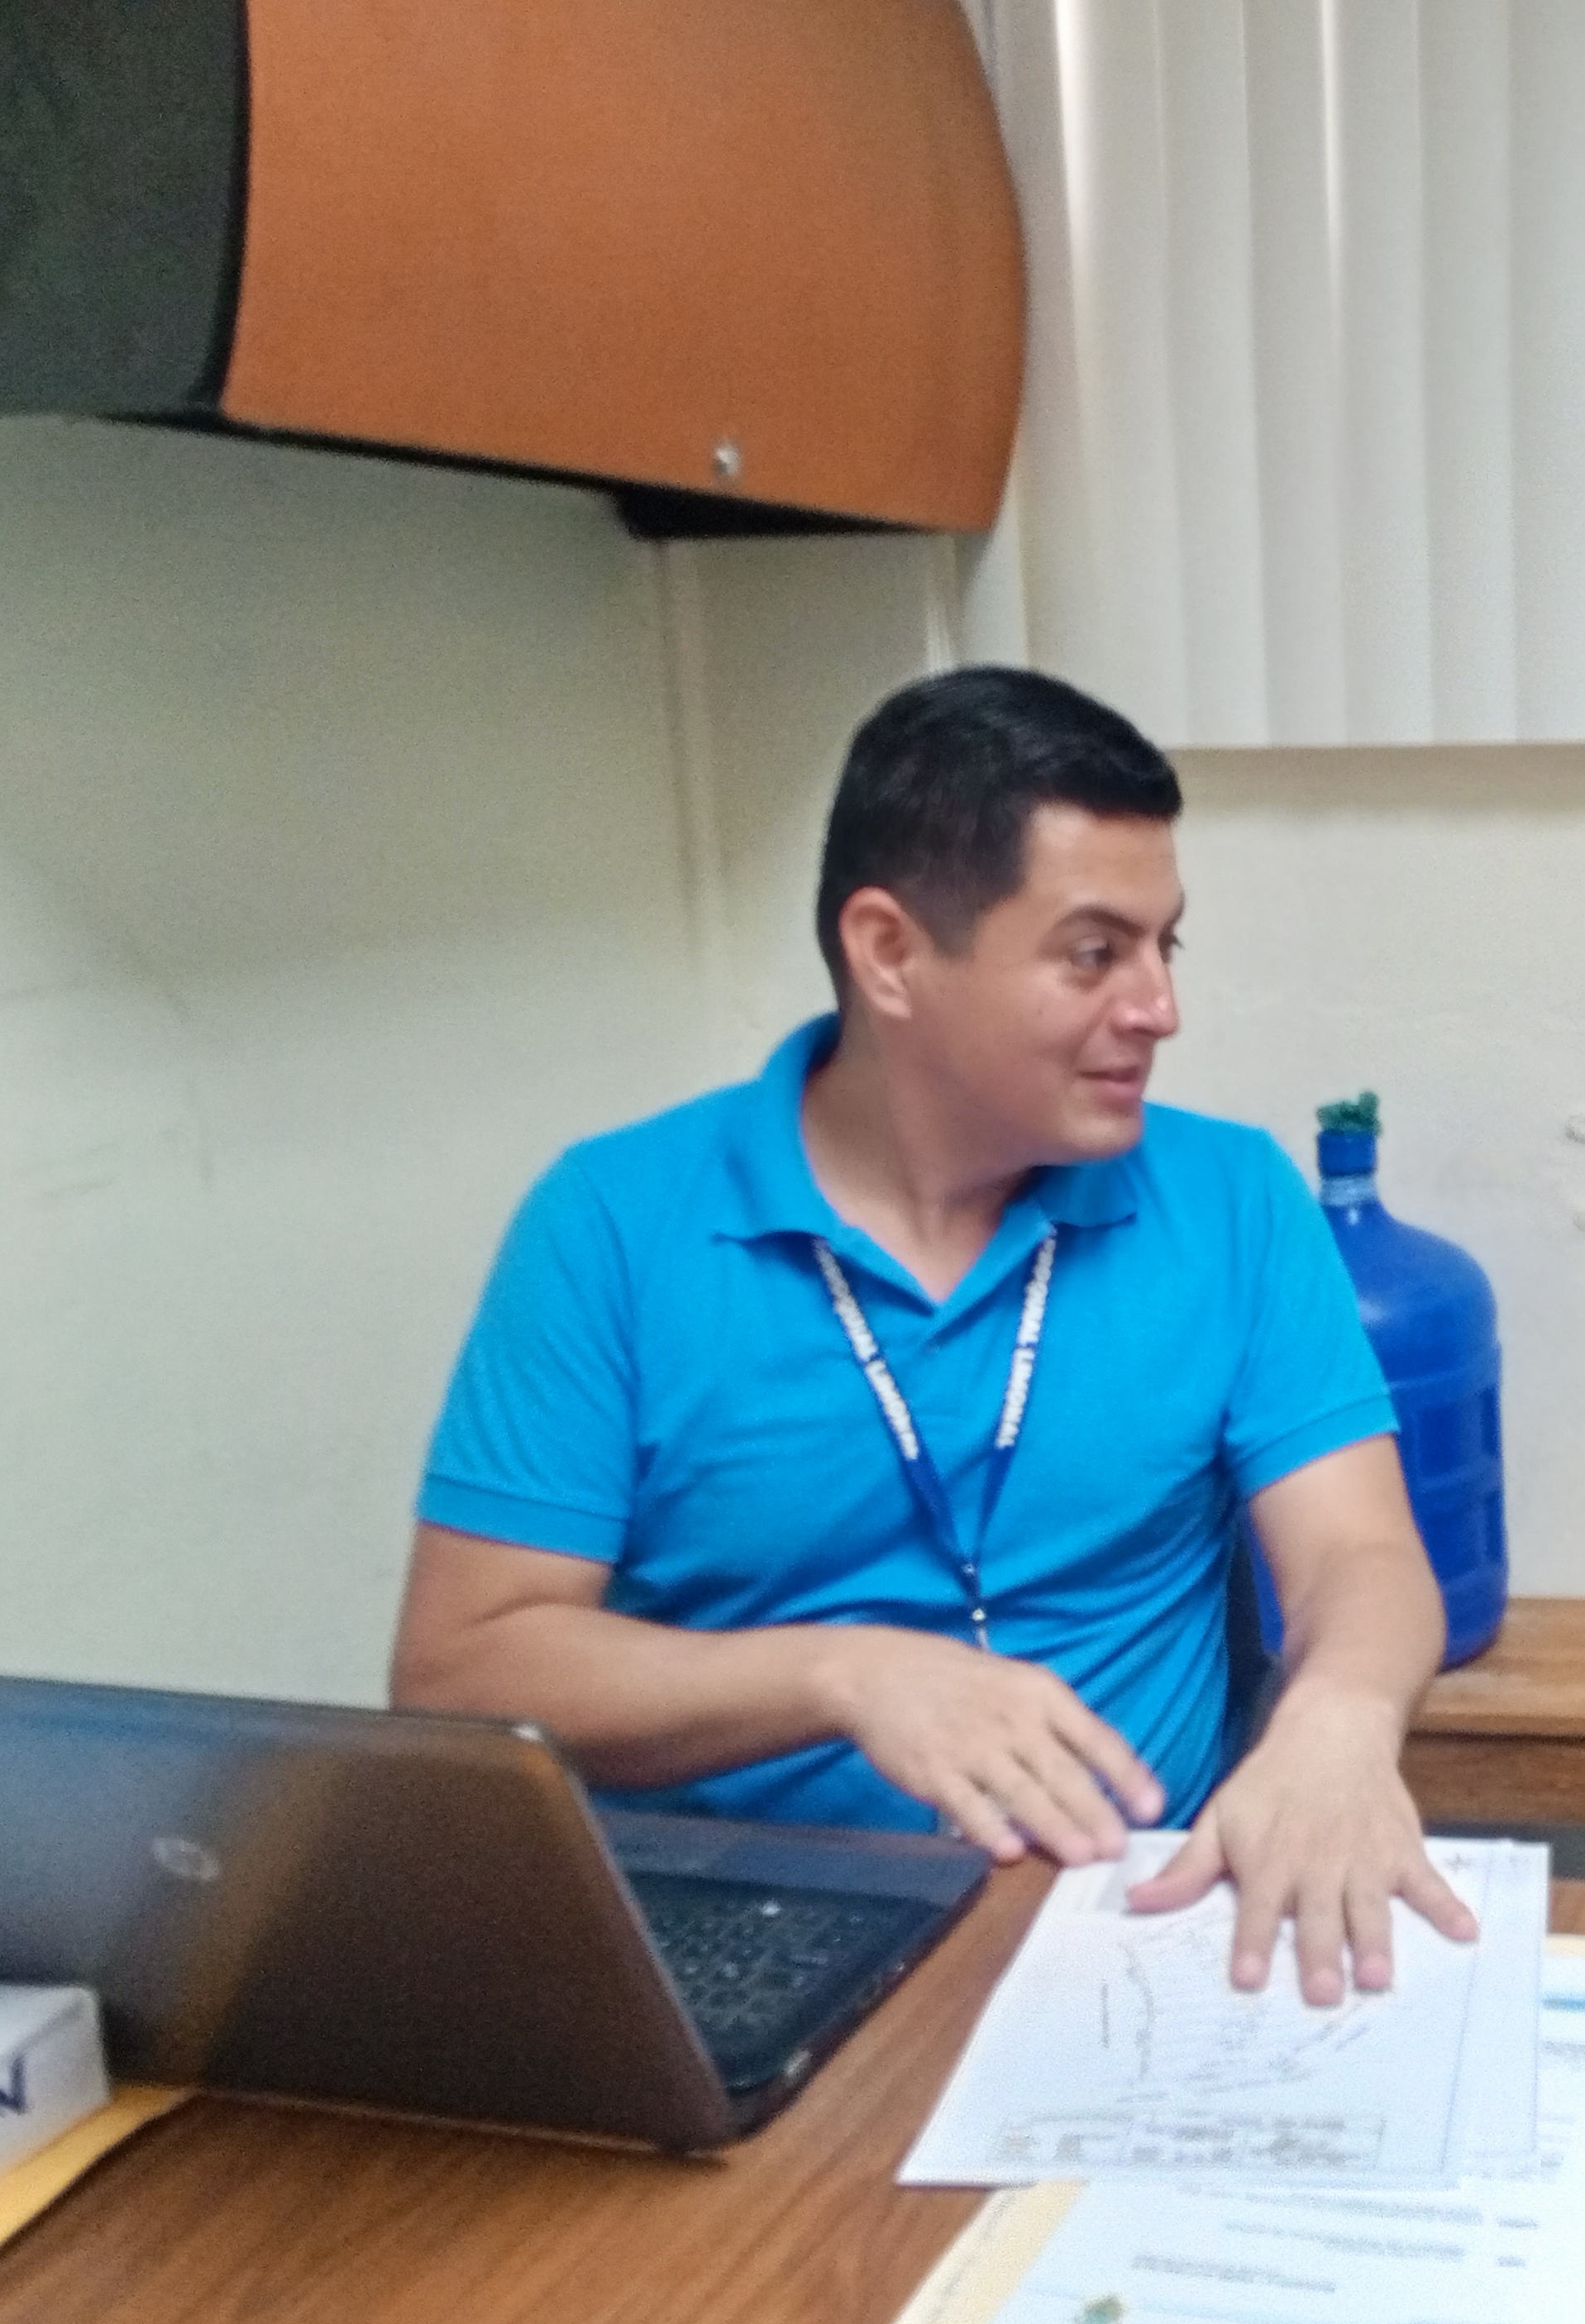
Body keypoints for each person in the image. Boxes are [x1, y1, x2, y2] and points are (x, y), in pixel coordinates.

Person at [391, 664, 1470, 2000]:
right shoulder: (612, 1223)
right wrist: (839, 1675)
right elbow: (462, 1671)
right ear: (891, 954)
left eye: (1165, 946)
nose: (1159, 1008)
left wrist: (1341, 1719)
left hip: (1127, 1923)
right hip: (733, 1928)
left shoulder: (1233, 1199)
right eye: (1095, 954)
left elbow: (1362, 1557)